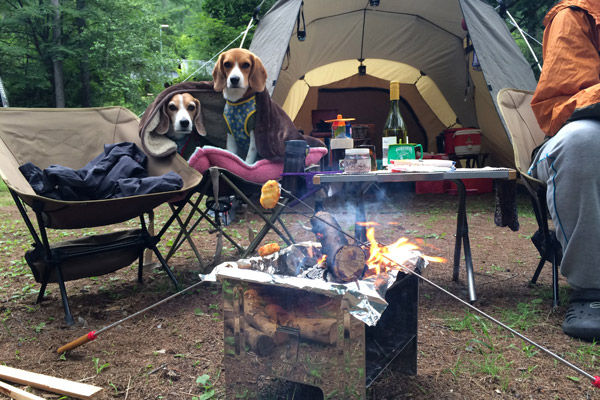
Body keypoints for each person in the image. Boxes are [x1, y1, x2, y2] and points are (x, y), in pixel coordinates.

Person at [529, 0, 600, 341]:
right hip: (581, 134)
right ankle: (592, 289)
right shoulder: (577, 16)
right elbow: (565, 100)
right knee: (582, 143)